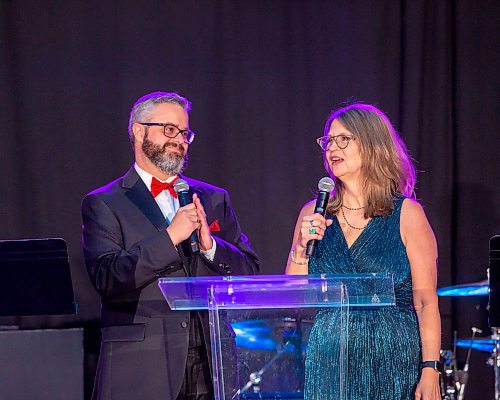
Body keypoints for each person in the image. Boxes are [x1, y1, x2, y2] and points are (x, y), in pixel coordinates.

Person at [81, 91, 259, 400]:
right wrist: (169, 238)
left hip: (211, 364)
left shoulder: (214, 198)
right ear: (139, 131)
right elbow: (107, 278)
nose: (180, 139)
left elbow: (249, 272)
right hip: (142, 366)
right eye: (169, 130)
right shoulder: (104, 202)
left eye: (185, 132)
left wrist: (211, 246)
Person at [285, 103, 441, 400]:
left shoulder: (407, 214)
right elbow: (292, 298)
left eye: (343, 139)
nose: (332, 147)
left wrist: (430, 369)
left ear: (371, 144)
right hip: (329, 356)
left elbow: (425, 301)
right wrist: (301, 248)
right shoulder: (313, 213)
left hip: (392, 355)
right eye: (328, 141)